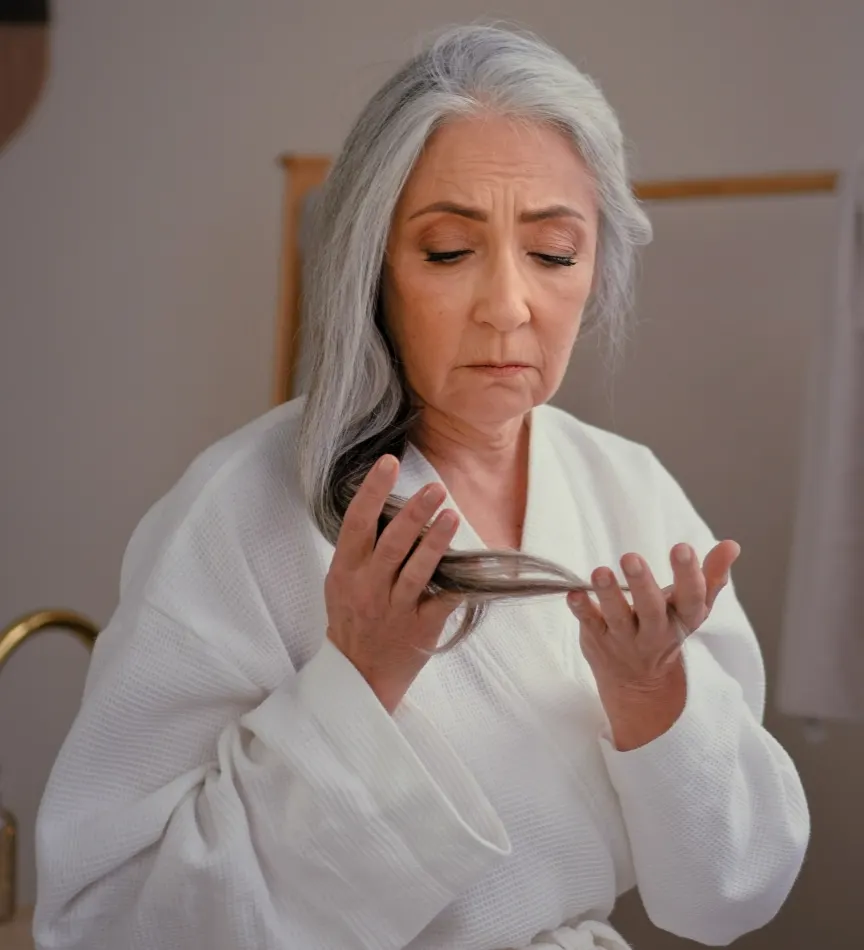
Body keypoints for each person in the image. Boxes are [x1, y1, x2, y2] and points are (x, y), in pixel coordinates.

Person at [34, 24, 809, 950]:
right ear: (373, 269)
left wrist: (654, 701)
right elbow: (103, 925)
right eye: (448, 251)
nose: (509, 305)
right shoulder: (242, 513)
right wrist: (359, 677)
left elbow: (731, 893)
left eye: (555, 254)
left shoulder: (628, 494)